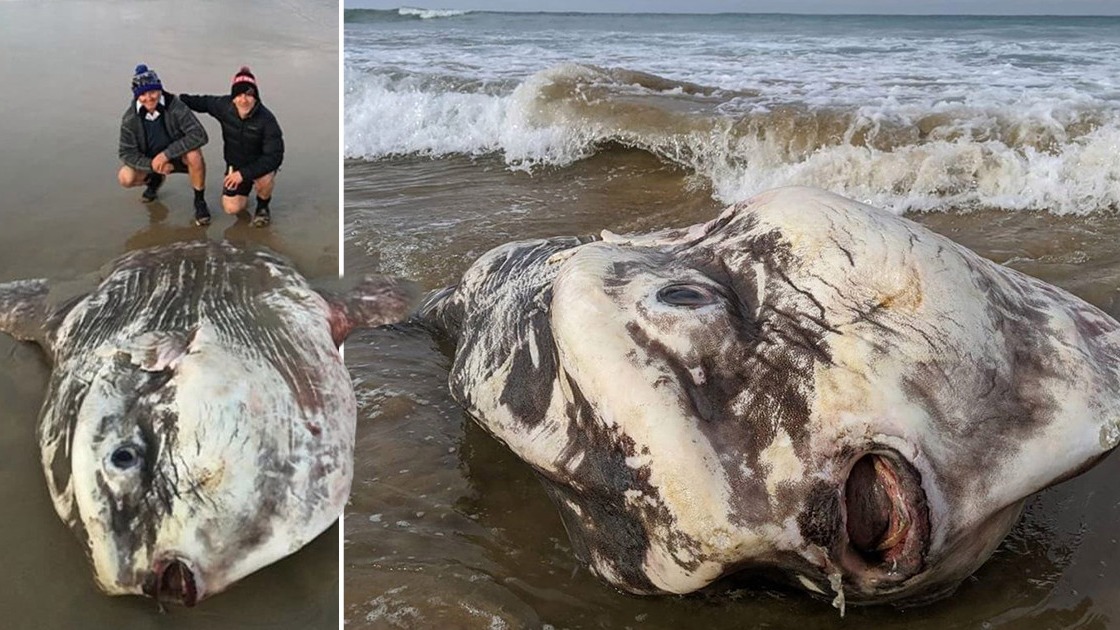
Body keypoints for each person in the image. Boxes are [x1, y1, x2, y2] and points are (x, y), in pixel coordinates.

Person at [181, 67, 284, 228]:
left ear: (256, 97)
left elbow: (275, 157)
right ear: (233, 98)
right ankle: (245, 191)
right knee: (231, 208)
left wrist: (243, 174)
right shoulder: (224, 106)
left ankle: (262, 207)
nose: (244, 100)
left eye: (249, 95)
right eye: (239, 95)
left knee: (265, 179)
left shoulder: (267, 120)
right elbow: (202, 102)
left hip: (259, 166)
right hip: (234, 166)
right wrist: (172, 99)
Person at [118, 64, 212, 226]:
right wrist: (153, 165)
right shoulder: (130, 119)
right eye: (143, 94)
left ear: (160, 90)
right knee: (125, 177)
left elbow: (200, 135)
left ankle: (199, 201)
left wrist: (166, 155)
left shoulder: (175, 106)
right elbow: (126, 153)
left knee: (194, 155)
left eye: (153, 92)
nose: (149, 98)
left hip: (178, 157)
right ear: (136, 96)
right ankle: (153, 181)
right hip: (152, 163)